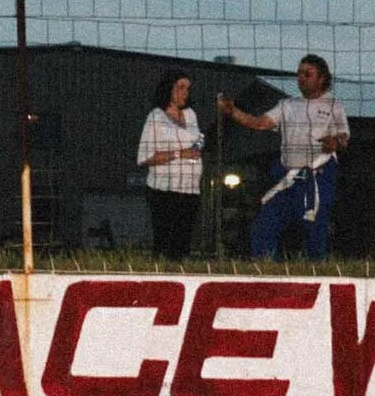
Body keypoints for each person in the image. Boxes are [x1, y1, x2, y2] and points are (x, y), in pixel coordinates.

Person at [217, 53, 350, 260]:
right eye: (299, 74)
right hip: (288, 178)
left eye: (308, 74)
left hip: (318, 176)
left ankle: (317, 270)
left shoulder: (334, 105)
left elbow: (343, 137)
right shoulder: (288, 105)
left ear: (322, 78)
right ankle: (269, 269)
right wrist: (233, 111)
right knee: (264, 225)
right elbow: (259, 122)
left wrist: (335, 142)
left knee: (315, 229)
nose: (301, 78)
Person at [136, 69, 205, 259]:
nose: (185, 92)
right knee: (165, 243)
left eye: (188, 88)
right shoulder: (156, 117)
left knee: (183, 244)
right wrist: (179, 154)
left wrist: (197, 148)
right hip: (164, 190)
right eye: (180, 87)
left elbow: (197, 140)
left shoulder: (191, 115)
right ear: (169, 88)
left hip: (190, 189)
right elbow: (145, 157)